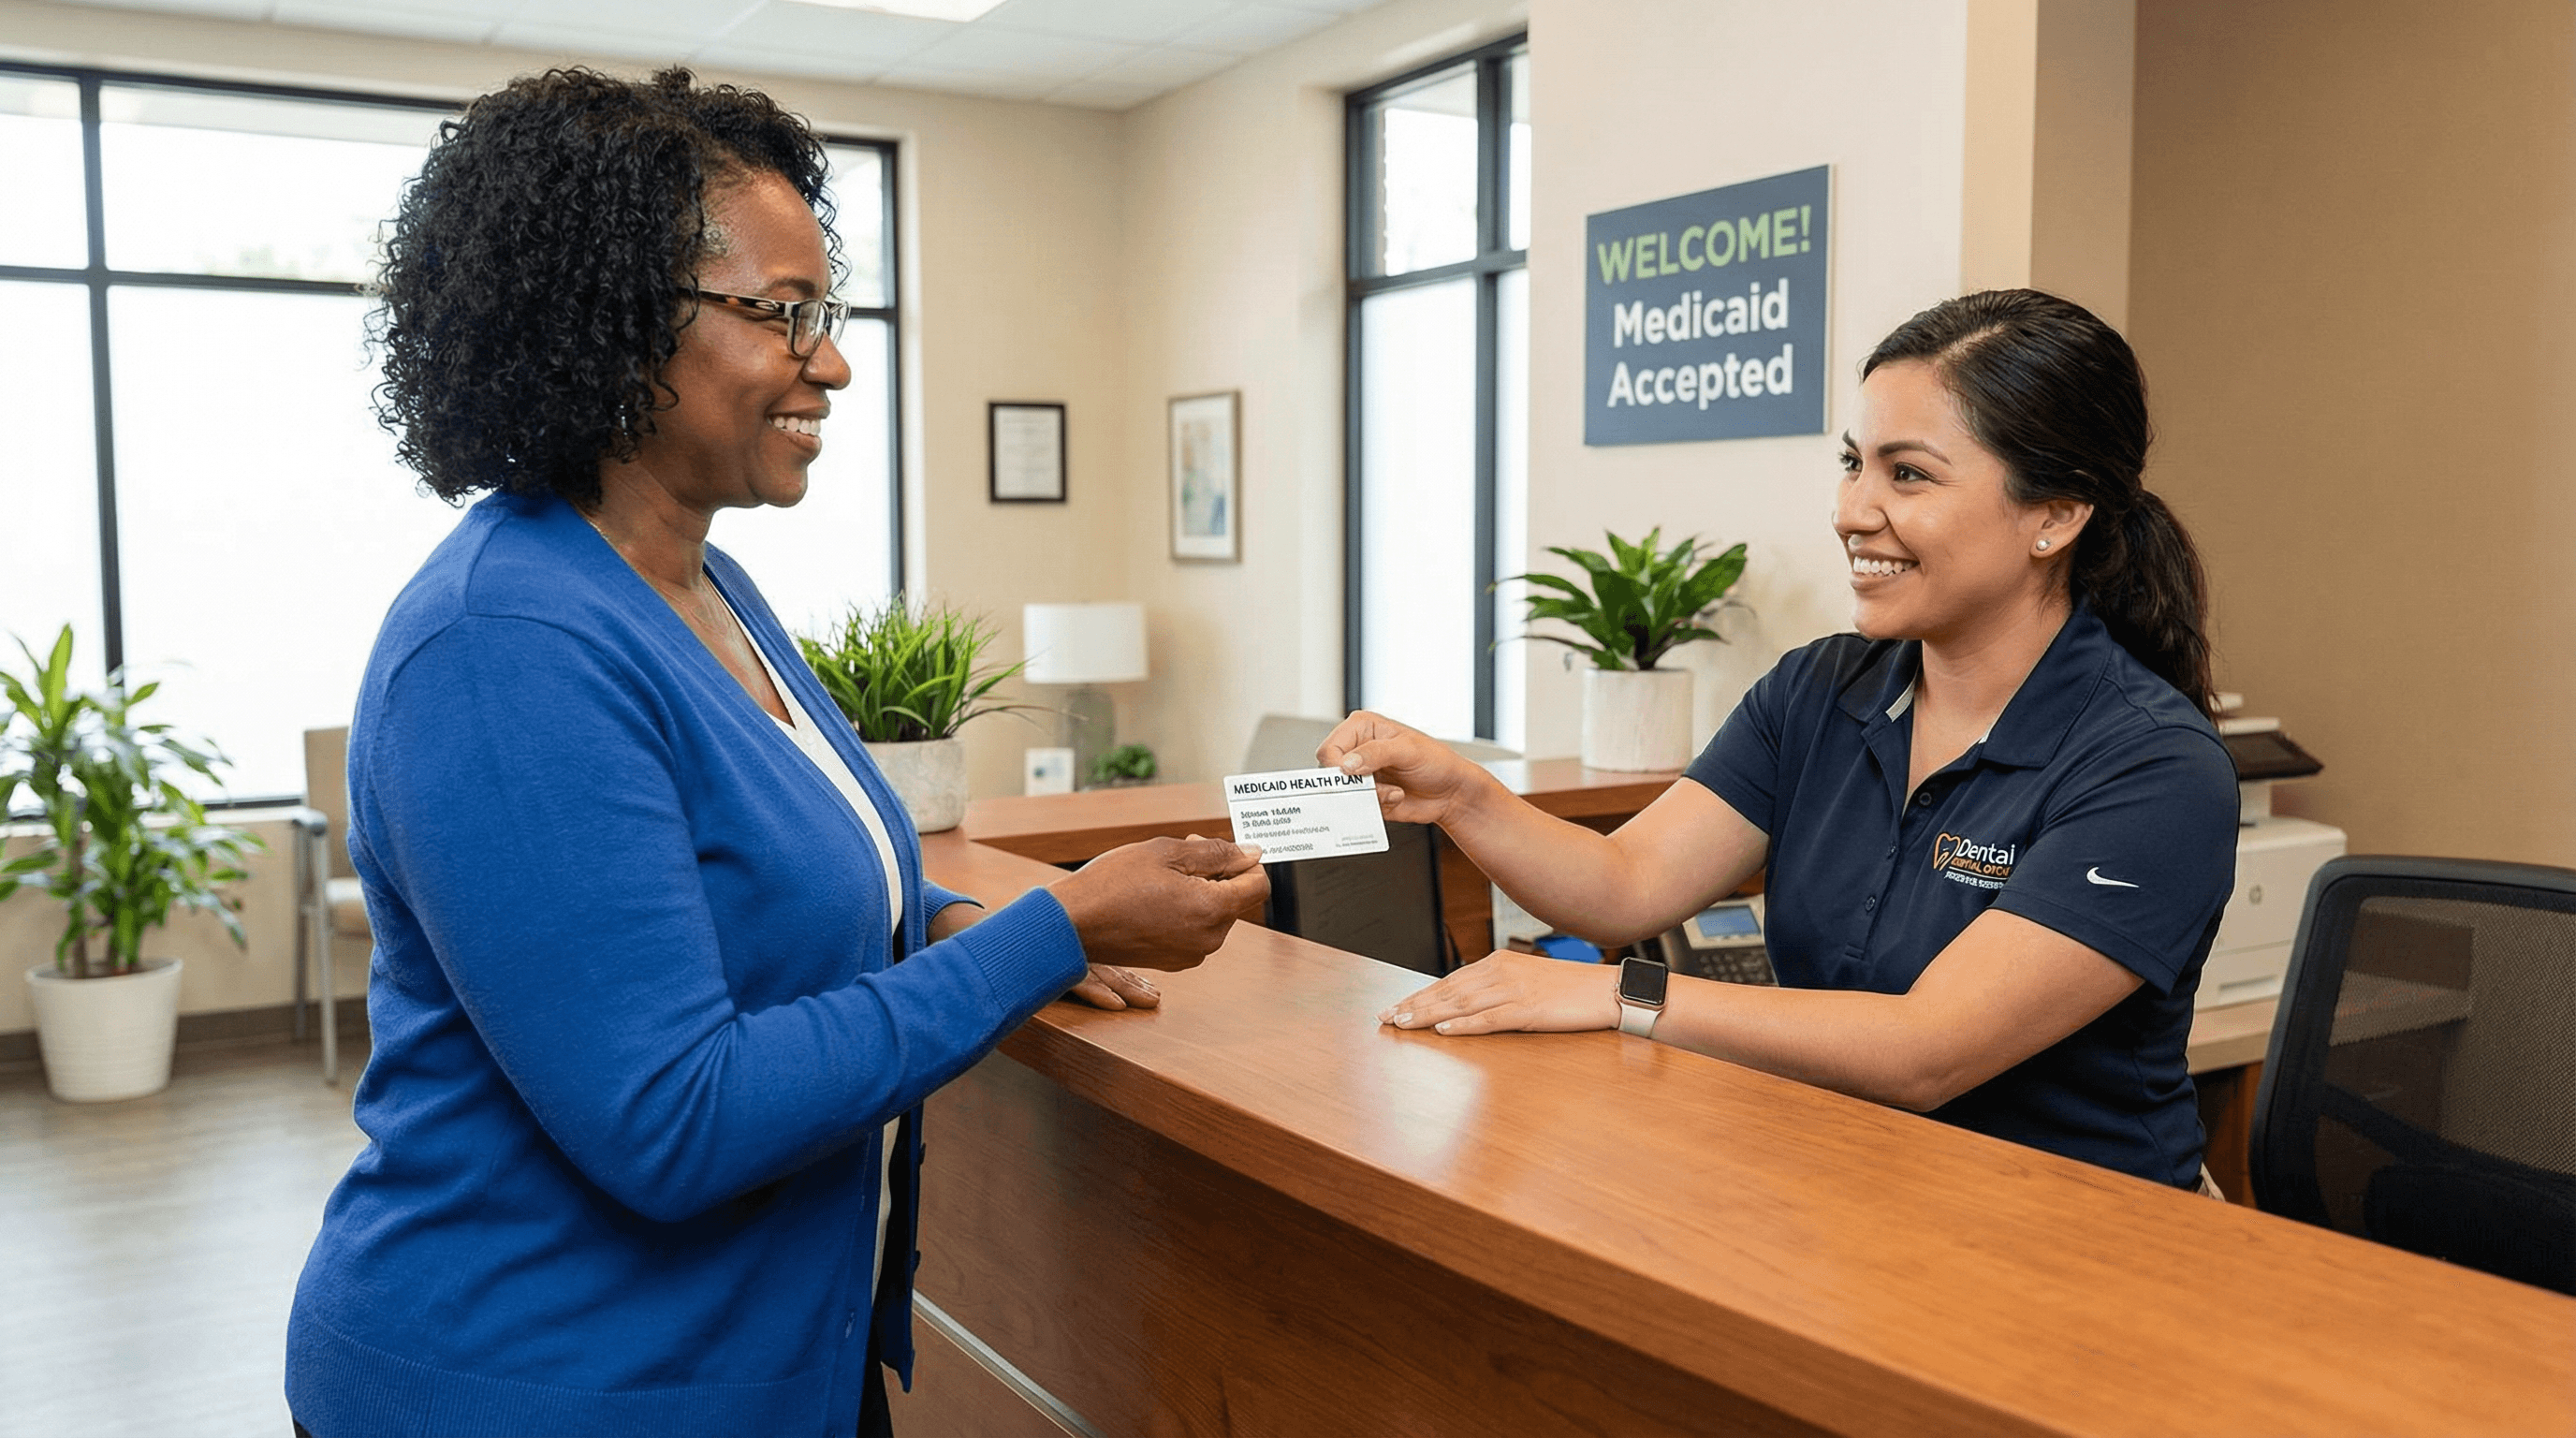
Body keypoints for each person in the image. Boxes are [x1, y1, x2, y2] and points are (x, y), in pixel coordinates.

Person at [284, 69, 1267, 1438]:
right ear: (617, 324)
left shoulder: (709, 586)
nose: (834, 360)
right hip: (535, 1388)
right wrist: (1043, 932)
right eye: (781, 313)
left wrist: (964, 915)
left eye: (829, 310)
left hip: (758, 1366)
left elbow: (785, 878)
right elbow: (676, 1121)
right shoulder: (504, 647)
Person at [1329, 289, 2236, 1192]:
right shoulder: (1819, 690)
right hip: (1851, 1192)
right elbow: (1623, 886)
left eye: (1906, 474)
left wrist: (1618, 995)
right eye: (1853, 464)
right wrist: (1462, 795)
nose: (1851, 510)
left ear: (2054, 515)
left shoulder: (2154, 766)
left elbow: (1926, 1050)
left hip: (2082, 1238)